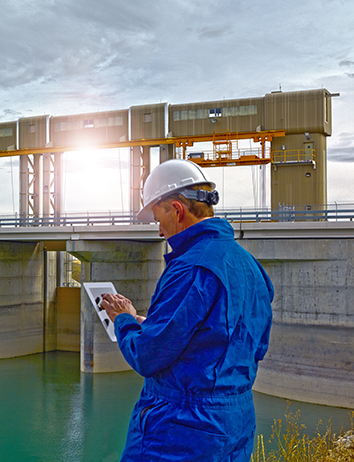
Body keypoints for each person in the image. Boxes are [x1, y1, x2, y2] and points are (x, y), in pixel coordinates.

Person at [100, 159, 274, 461]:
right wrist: (152, 323)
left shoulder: (190, 267)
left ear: (177, 210)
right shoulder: (249, 266)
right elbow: (246, 343)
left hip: (182, 430)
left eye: (158, 219)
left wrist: (124, 319)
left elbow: (146, 355)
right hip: (235, 424)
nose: (158, 232)